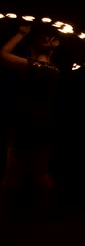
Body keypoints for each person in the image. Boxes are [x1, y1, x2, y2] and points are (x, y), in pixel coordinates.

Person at [0, 22, 61, 219]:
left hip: (27, 120)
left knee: (15, 172)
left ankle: (12, 215)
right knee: (38, 172)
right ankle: (41, 214)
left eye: (52, 39)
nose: (49, 40)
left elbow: (3, 55)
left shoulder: (36, 66)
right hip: (42, 122)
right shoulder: (52, 69)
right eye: (46, 38)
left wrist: (20, 34)